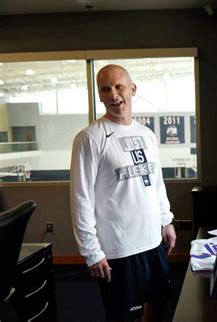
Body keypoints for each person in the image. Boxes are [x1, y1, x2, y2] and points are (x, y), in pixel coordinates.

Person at [70, 64, 176, 322]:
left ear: (132, 88)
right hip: (120, 250)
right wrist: (92, 251)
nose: (114, 94)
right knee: (125, 317)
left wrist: (167, 220)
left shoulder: (147, 135)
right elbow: (80, 199)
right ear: (100, 95)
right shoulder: (89, 138)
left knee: (159, 307)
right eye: (106, 89)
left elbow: (156, 182)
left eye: (119, 86)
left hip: (153, 242)